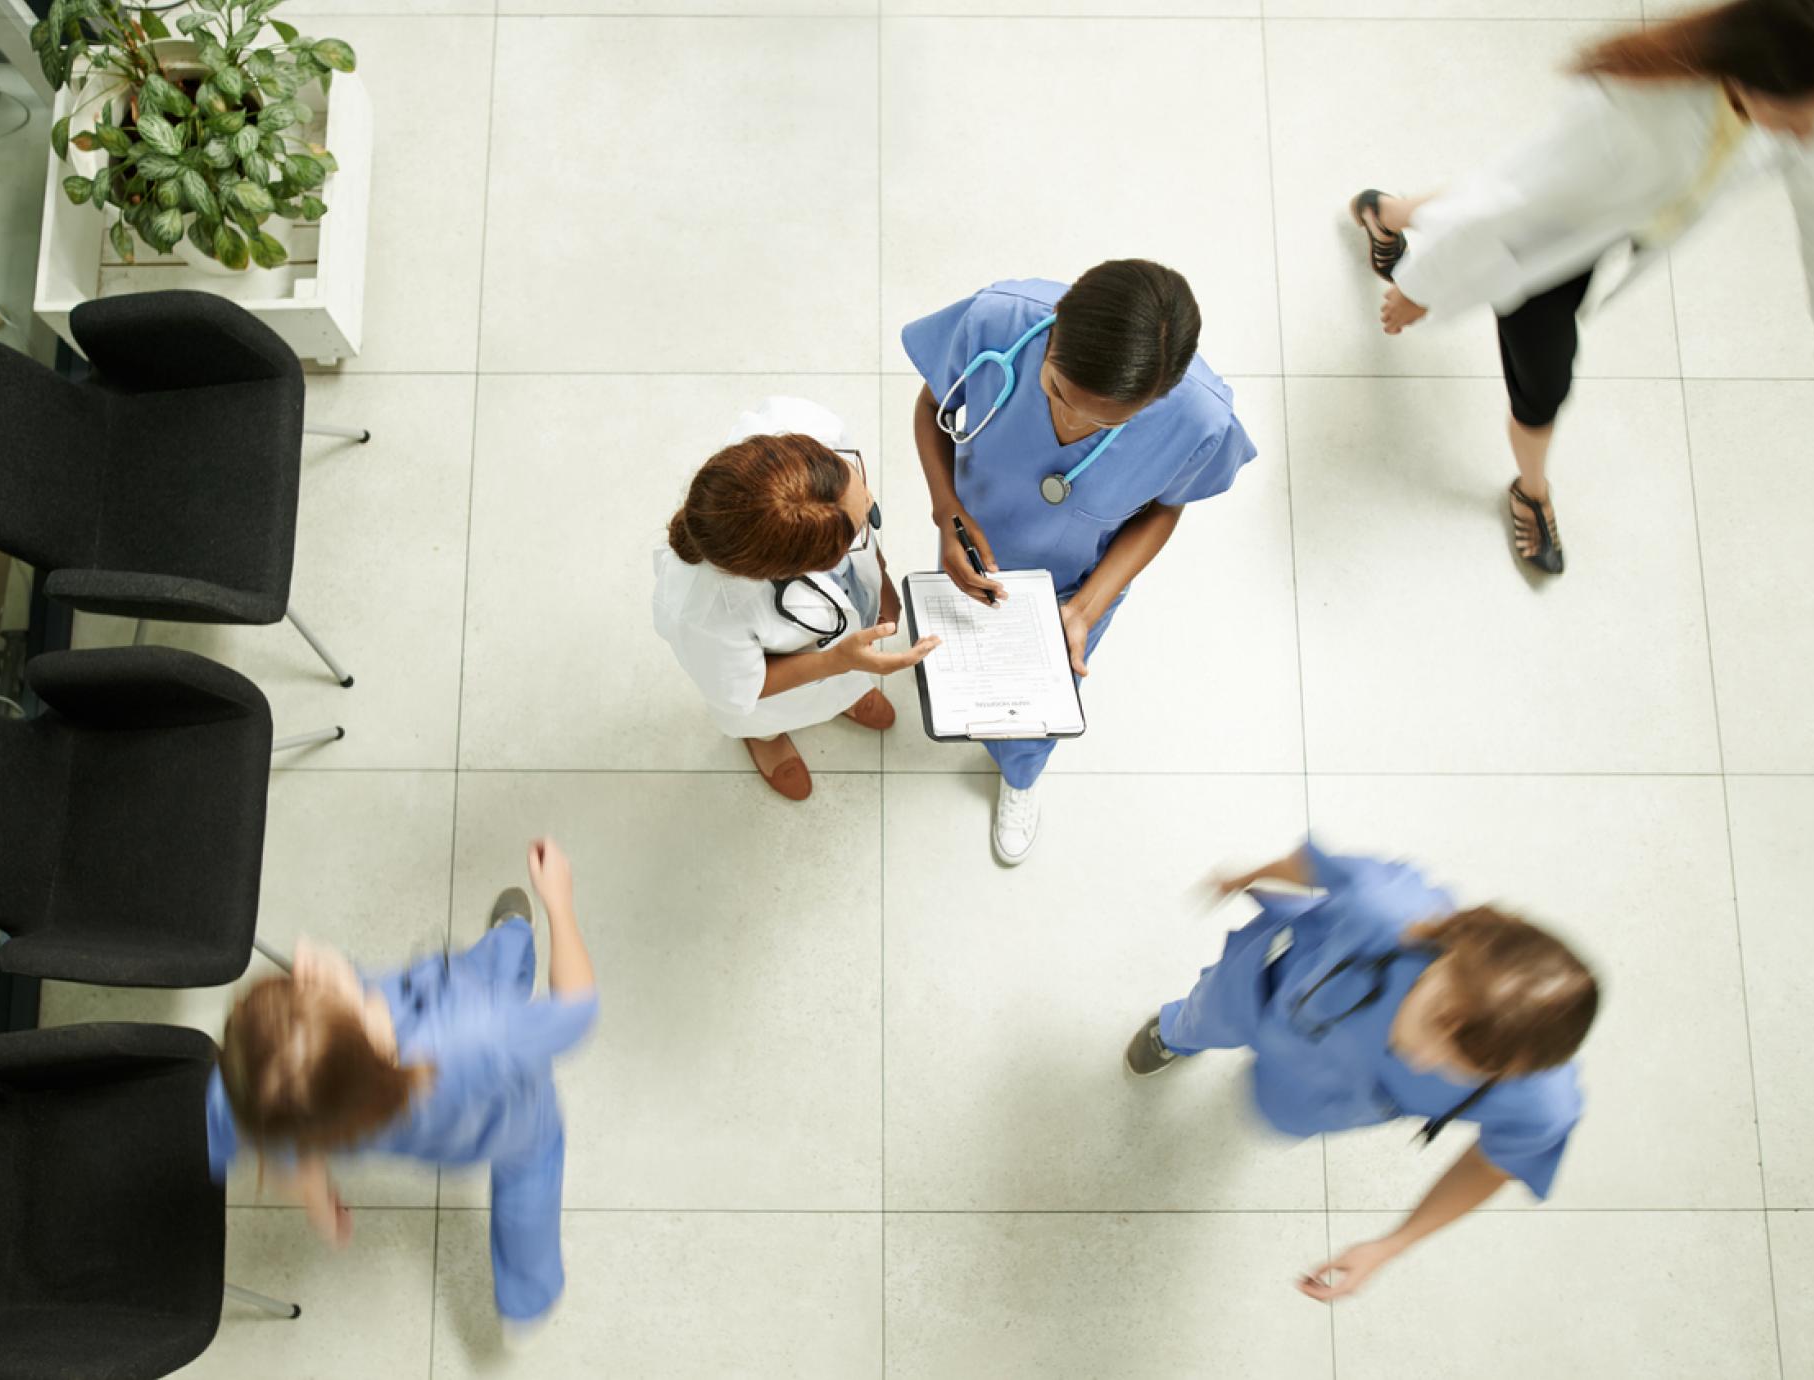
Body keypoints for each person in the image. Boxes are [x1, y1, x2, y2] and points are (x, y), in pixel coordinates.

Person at [1349, 0, 1814, 575]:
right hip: (1549, 243)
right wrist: (1422, 287)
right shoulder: (1635, 113)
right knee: (1544, 387)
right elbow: (1514, 210)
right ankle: (1532, 489)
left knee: (1492, 193)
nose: (1810, 134)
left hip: (1621, 215)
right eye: (1800, 115)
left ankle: (1387, 213)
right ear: (1756, 72)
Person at [1126, 838, 1599, 1301]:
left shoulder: (1539, 1103)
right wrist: (1248, 875)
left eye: (1466, 1066)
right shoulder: (1388, 909)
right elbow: (1315, 866)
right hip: (1262, 992)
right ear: (1448, 950)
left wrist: (1390, 1246)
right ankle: (1173, 1034)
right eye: (1436, 1020)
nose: (1425, 1057)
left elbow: (1493, 1164)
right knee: (1201, 1018)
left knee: (1275, 1112)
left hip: (1326, 1094)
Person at [903, 261, 1256, 864]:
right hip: (973, 543)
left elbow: (1164, 511)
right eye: (1057, 392)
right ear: (1054, 332)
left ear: (1159, 397)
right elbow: (934, 405)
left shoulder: (1200, 419)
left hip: (1076, 585)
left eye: (1106, 421)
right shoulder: (997, 318)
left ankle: (1020, 778)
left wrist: (1086, 609)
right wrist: (946, 512)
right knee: (958, 672)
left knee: (1033, 714)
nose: (1071, 421)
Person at [206, 840, 598, 1337]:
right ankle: (513, 938)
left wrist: (320, 1202)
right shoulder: (477, 1034)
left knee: (477, 979)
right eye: (310, 984)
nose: (307, 958)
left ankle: (526, 1297)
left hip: (430, 1138)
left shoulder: (264, 1103)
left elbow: (271, 1140)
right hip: (513, 1118)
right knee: (531, 1170)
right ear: (349, 1022)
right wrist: (559, 903)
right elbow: (577, 1011)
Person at [653, 397, 939, 801]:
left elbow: (854, 514)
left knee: (844, 676)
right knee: (765, 716)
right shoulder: (701, 612)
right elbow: (742, 688)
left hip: (837, 636)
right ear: (802, 566)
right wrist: (837, 661)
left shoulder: (800, 428)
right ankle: (766, 738)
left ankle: (844, 694)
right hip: (772, 697)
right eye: (859, 527)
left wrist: (882, 575)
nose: (871, 505)